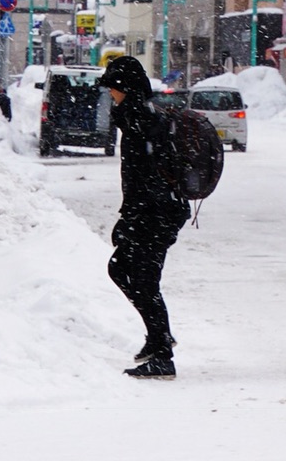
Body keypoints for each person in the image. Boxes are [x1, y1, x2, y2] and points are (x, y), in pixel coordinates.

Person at [96, 56, 188, 379]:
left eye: (113, 88)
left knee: (143, 280)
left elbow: (148, 179)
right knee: (125, 270)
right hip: (154, 212)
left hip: (157, 214)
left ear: (126, 89)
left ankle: (163, 355)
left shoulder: (141, 121)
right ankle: (157, 338)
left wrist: (131, 220)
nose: (110, 93)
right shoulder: (136, 117)